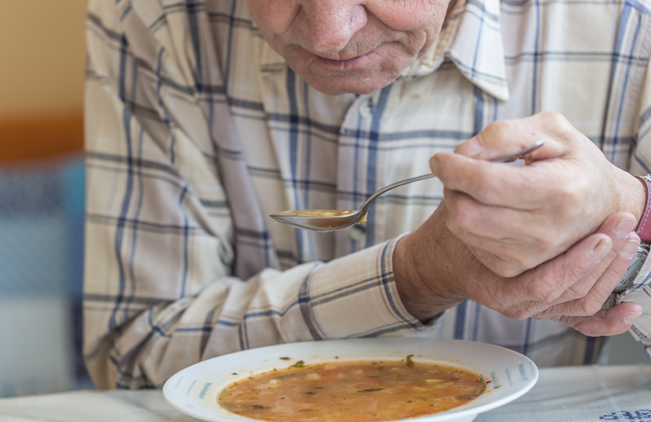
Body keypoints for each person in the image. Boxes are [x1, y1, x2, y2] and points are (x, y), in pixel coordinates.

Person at [83, 0, 651, 389]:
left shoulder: (632, 21)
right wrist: (414, 276)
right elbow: (134, 355)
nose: (329, 32)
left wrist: (631, 211)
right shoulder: (156, 20)